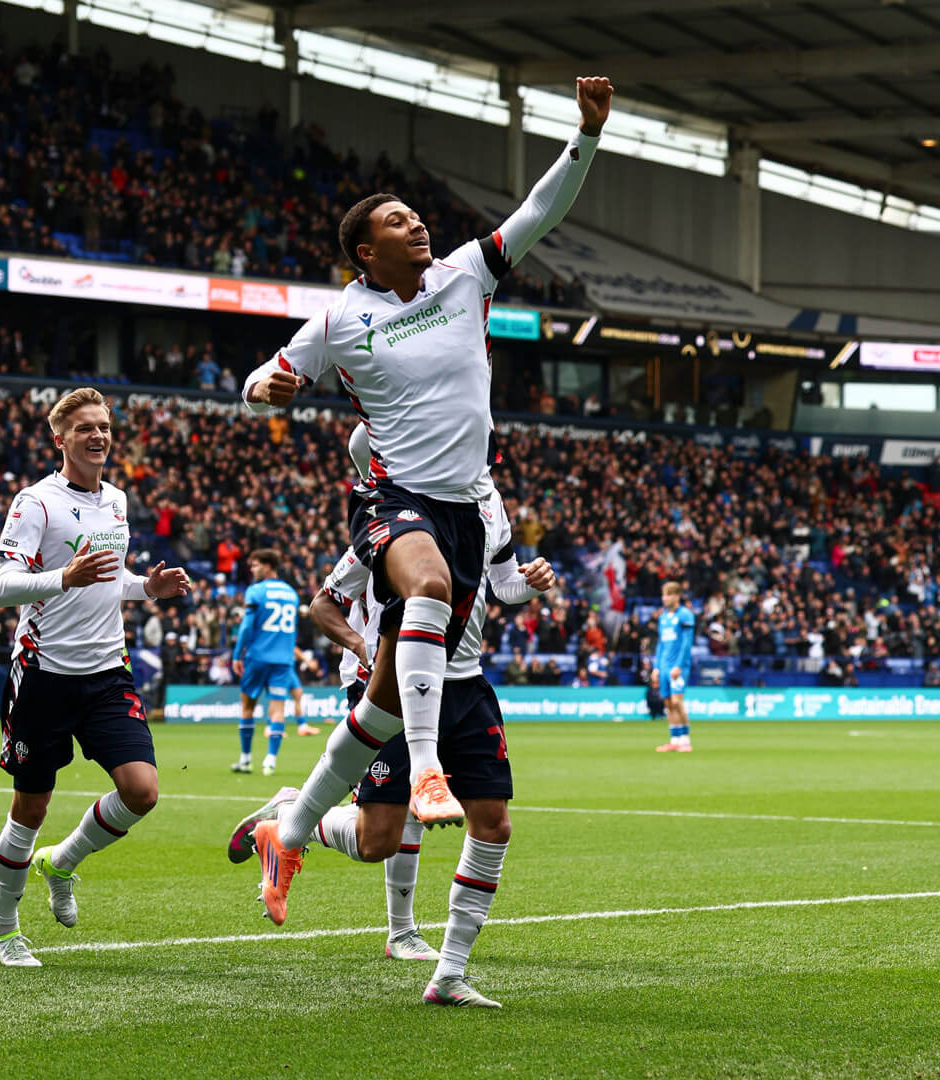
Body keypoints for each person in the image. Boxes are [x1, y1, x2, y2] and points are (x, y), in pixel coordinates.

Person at [242, 76, 612, 911]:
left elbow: (541, 211)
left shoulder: (466, 275)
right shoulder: (339, 321)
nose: (417, 224)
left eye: (416, 215)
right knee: (430, 589)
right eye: (396, 220)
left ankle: (288, 829)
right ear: (364, 252)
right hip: (394, 500)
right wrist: (265, 389)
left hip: (463, 510)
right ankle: (427, 769)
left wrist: (586, 134)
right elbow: (260, 377)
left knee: (373, 717)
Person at [233, 482, 555, 1007]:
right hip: (396, 686)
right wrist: (360, 647)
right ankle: (297, 818)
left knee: (494, 823)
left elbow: (503, 585)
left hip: (467, 684)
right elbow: (325, 603)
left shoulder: (491, 505)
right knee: (376, 839)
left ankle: (449, 973)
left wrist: (531, 582)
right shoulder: (395, 513)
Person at [0, 387, 190, 967]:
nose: (98, 435)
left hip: (106, 672)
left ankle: (63, 861)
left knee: (142, 791)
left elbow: (109, 577)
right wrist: (61, 579)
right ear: (60, 438)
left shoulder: (117, 500)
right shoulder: (35, 502)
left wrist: (146, 587)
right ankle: (4, 929)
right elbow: (2, 588)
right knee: (30, 808)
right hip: (43, 674)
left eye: (103, 426)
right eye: (84, 428)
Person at [230, 549, 314, 778]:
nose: (252, 570)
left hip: (257, 657)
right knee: (278, 710)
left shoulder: (256, 591)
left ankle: (246, 759)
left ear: (268, 566)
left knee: (247, 707)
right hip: (283, 660)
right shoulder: (291, 594)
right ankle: (270, 761)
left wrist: (237, 655)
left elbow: (246, 627)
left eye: (255, 565)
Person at [653, 581, 695, 753]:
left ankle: (685, 740)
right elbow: (660, 644)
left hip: (678, 666)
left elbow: (686, 643)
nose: (664, 598)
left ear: (677, 596)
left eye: (668, 594)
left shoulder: (685, 615)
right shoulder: (663, 618)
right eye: (663, 594)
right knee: (669, 703)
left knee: (677, 701)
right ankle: (674, 740)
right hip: (664, 666)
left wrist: (678, 665)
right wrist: (656, 667)